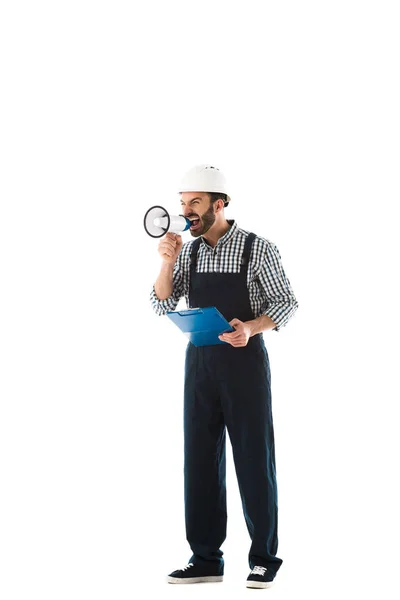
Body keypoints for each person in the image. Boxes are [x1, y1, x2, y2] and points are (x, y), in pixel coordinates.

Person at [150, 164, 298, 589]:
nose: (187, 211)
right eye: (182, 204)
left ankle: (264, 557)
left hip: (244, 366)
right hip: (199, 367)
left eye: (195, 203)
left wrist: (250, 328)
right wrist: (166, 262)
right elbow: (161, 302)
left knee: (254, 460)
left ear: (220, 203)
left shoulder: (258, 248)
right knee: (199, 462)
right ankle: (205, 558)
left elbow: (286, 302)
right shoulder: (189, 251)